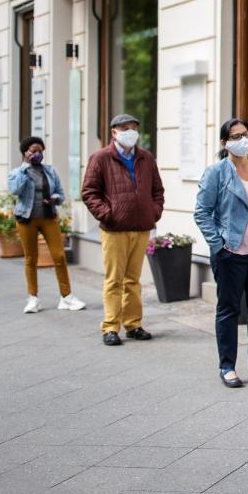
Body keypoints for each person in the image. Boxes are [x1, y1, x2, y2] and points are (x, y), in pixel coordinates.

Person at [194, 118, 248, 388]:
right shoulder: (217, 172)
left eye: (245, 134)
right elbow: (202, 212)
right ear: (225, 143)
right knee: (229, 310)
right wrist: (219, 244)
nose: (242, 140)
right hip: (231, 252)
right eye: (235, 136)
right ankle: (227, 367)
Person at [82, 114, 164, 346]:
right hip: (115, 229)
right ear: (114, 132)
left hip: (141, 227)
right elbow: (89, 192)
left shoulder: (145, 158)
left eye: (134, 128)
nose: (130, 132)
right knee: (114, 279)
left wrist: (153, 211)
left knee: (133, 280)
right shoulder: (100, 158)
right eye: (125, 128)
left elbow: (157, 190)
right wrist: (108, 214)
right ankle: (110, 327)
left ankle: (133, 324)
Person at [7, 136, 85, 314]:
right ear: (25, 153)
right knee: (31, 259)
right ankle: (33, 298)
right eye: (34, 151)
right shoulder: (16, 173)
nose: (38, 154)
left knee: (59, 256)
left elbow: (60, 194)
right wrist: (25, 168)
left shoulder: (49, 171)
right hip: (26, 219)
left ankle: (66, 297)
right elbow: (15, 190)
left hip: (48, 217)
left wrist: (54, 199)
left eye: (40, 151)